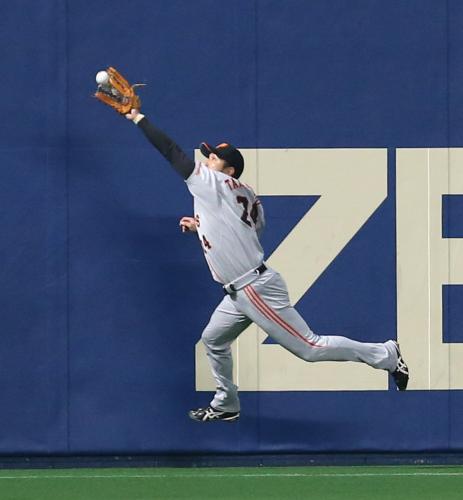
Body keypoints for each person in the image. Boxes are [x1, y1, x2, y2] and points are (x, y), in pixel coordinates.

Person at [124, 108, 409, 423]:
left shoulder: (213, 183)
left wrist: (138, 118)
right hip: (241, 290)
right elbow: (247, 230)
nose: (206, 161)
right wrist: (201, 225)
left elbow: (171, 152)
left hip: (253, 288)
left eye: (214, 159)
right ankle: (227, 403)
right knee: (214, 340)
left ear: (229, 170)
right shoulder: (244, 194)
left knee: (310, 348)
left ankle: (385, 355)